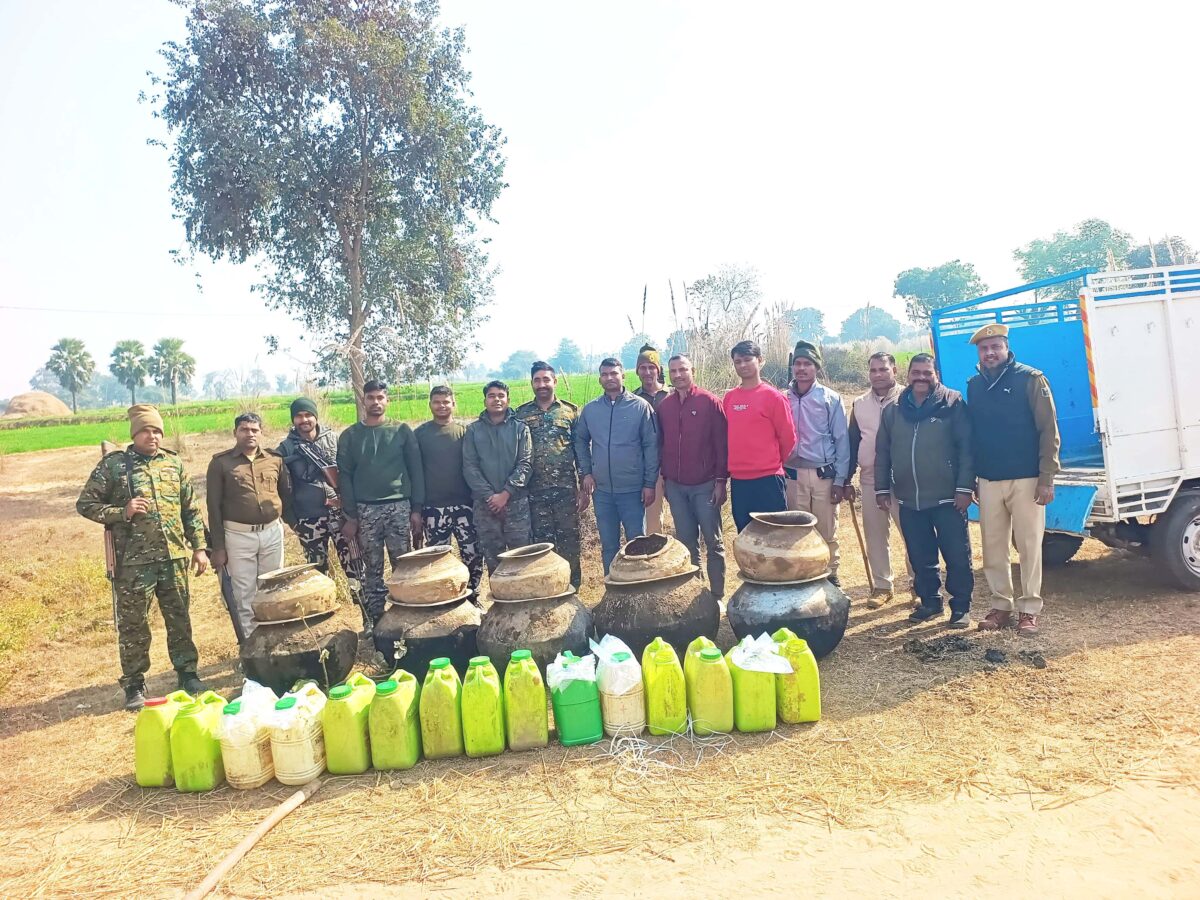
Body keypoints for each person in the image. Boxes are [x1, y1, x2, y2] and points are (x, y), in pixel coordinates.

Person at [77, 404, 209, 711]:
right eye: (146, 431)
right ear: (134, 434)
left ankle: (187, 674)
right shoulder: (114, 466)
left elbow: (190, 509)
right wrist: (121, 512)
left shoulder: (173, 463)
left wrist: (199, 547)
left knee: (179, 618)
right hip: (133, 563)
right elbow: (85, 504)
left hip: (173, 557)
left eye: (157, 431)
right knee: (134, 625)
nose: (153, 436)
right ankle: (134, 684)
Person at [966, 324, 1061, 637]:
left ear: (1006, 348)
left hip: (1027, 478)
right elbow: (974, 435)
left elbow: (1049, 430)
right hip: (989, 479)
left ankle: (1029, 609)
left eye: (996, 347)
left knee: (1029, 545)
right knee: (993, 547)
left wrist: (1046, 477)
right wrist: (974, 477)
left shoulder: (1030, 379)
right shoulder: (974, 385)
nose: (990, 353)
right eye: (984, 348)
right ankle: (1001, 606)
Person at [875, 354, 975, 627]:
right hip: (909, 499)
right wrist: (881, 488)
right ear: (907, 375)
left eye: (927, 373)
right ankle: (930, 602)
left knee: (957, 556)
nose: (921, 378)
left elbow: (967, 448)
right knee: (920, 556)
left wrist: (965, 488)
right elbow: (883, 452)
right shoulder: (893, 410)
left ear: (936, 375)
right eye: (916, 372)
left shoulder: (952, 403)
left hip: (948, 498)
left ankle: (961, 607)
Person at [337, 380, 425, 623]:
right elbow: (345, 477)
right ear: (363, 400)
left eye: (380, 397)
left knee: (403, 564)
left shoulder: (401, 431)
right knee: (371, 567)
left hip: (399, 507)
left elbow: (416, 471)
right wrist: (351, 516)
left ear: (387, 400)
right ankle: (375, 620)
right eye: (371, 398)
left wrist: (416, 509)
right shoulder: (350, 436)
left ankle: (405, 616)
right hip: (366, 509)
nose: (375, 402)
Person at [276, 397, 368, 626]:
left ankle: (368, 619)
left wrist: (352, 514)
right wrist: (292, 521)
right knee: (317, 574)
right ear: (293, 420)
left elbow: (350, 474)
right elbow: (280, 488)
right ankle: (324, 625)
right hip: (308, 519)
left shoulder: (334, 440)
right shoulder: (285, 449)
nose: (304, 420)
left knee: (356, 567)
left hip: (340, 516)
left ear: (315, 417)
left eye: (308, 415)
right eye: (299, 416)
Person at [207, 412, 293, 640]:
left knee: (273, 589)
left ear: (261, 432)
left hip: (271, 533)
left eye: (254, 430)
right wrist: (218, 548)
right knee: (244, 594)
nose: (250, 434)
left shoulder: (274, 459)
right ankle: (251, 646)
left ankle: (274, 641)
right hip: (238, 536)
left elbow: (285, 494)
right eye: (244, 429)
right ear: (235, 433)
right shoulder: (221, 463)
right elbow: (213, 508)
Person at [575, 358, 659, 573]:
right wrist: (586, 473)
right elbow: (580, 441)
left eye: (614, 373)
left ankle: (638, 586)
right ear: (600, 379)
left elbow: (651, 446)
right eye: (605, 374)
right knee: (609, 546)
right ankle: (611, 588)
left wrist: (649, 483)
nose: (609, 378)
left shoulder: (640, 407)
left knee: (637, 544)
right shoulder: (591, 410)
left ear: (623, 376)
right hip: (602, 492)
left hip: (632, 490)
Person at [659, 354, 728, 598]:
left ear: (693, 371)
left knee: (713, 541)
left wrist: (721, 481)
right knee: (686, 543)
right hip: (676, 487)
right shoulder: (665, 406)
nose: (678, 375)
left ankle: (717, 595)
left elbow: (722, 445)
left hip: (705, 485)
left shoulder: (709, 402)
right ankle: (696, 597)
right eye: (673, 371)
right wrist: (665, 479)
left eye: (683, 369)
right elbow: (661, 445)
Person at [845, 352, 910, 607]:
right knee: (875, 535)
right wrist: (846, 479)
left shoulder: (908, 398)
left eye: (883, 369)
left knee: (912, 534)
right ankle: (882, 586)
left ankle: (919, 585)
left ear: (895, 370)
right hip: (871, 478)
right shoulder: (859, 404)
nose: (878, 375)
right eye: (873, 370)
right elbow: (853, 443)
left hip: (904, 479)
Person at [784, 341, 850, 586]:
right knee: (797, 529)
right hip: (792, 474)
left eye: (807, 364)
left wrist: (840, 480)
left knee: (826, 529)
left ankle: (830, 575)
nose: (801, 368)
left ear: (817, 368)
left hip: (823, 474)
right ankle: (803, 576)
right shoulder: (783, 398)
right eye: (797, 363)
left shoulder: (830, 398)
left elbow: (842, 440)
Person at [514, 362, 586, 588]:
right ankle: (548, 589)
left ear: (555, 381)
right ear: (532, 383)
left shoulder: (570, 411)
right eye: (537, 380)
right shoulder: (521, 414)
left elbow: (580, 450)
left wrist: (583, 485)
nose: (542, 384)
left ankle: (572, 589)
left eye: (546, 379)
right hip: (534, 492)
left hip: (565, 490)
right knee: (542, 545)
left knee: (570, 543)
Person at [414, 386, 484, 595]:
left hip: (465, 506)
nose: (441, 406)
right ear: (430, 405)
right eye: (437, 402)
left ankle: (472, 596)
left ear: (453, 404)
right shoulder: (420, 434)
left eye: (446, 402)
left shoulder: (466, 432)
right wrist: (416, 508)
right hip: (433, 508)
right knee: (437, 559)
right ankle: (444, 599)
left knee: (472, 554)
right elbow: (414, 471)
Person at [723, 340, 796, 532]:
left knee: (774, 535)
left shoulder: (774, 397)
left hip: (768, 479)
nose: (743, 365)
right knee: (746, 535)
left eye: (748, 359)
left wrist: (771, 461)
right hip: (739, 480)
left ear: (760, 360)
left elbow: (788, 437)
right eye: (738, 361)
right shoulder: (729, 398)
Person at [463, 380, 534, 574]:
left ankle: (521, 594)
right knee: (494, 563)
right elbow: (470, 467)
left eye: (501, 396)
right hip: (485, 506)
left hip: (516, 504)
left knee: (522, 561)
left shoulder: (521, 428)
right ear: (485, 400)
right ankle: (498, 593)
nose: (496, 400)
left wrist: (506, 493)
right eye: (491, 396)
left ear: (508, 400)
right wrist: (490, 496)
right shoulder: (473, 430)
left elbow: (526, 464)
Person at [633, 343, 669, 535]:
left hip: (675, 466)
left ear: (658, 370)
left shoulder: (672, 395)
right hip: (649, 468)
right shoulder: (632, 400)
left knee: (687, 517)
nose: (647, 372)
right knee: (652, 522)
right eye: (643, 368)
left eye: (651, 367)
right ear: (637, 371)